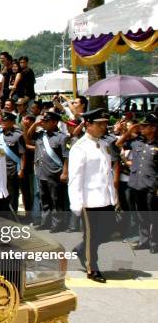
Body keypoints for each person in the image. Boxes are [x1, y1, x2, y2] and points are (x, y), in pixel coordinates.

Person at [69, 109, 117, 283]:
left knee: (108, 231)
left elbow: (107, 173)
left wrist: (113, 195)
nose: (104, 127)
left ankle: (81, 250)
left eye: (105, 123)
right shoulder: (79, 148)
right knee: (91, 236)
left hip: (105, 198)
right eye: (99, 124)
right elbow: (75, 178)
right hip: (88, 200)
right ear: (88, 125)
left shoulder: (103, 145)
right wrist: (77, 202)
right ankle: (92, 268)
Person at [116, 113, 157, 253]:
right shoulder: (137, 141)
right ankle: (144, 240)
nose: (142, 128)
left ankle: (154, 242)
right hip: (136, 184)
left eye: (145, 126)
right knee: (141, 215)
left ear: (153, 128)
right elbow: (118, 144)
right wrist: (128, 131)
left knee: (154, 216)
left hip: (152, 185)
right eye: (141, 126)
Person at [26, 111, 69, 232]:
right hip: (41, 172)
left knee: (56, 199)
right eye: (43, 121)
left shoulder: (62, 137)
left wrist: (65, 172)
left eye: (46, 121)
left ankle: (58, 224)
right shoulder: (40, 135)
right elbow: (28, 137)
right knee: (44, 199)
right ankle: (46, 222)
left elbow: (66, 156)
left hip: (55, 173)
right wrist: (35, 124)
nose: (43, 123)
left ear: (55, 122)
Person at [0, 112, 26, 213]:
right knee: (3, 194)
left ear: (11, 122)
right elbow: (0, 152)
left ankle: (13, 217)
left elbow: (23, 154)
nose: (2, 122)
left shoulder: (18, 136)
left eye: (5, 121)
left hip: (13, 169)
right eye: (2, 120)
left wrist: (22, 169)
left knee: (12, 195)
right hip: (2, 169)